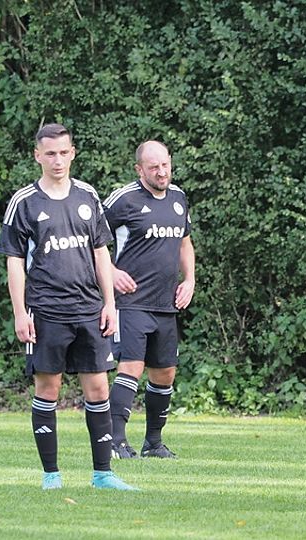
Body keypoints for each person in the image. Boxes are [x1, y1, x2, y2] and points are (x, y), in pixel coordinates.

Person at [0, 123, 137, 490]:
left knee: (99, 389)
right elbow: (14, 261)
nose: (57, 160)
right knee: (48, 389)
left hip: (89, 308)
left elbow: (101, 252)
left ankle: (103, 474)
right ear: (37, 156)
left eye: (63, 152)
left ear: (73, 153)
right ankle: (51, 475)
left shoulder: (88, 195)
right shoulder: (24, 202)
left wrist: (110, 303)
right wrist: (19, 312)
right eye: (50, 154)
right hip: (45, 310)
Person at [103, 140, 194, 459]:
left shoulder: (178, 197)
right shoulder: (123, 199)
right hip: (130, 301)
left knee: (165, 372)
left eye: (165, 165)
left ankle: (153, 443)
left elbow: (185, 243)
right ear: (139, 169)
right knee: (131, 366)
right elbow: (89, 239)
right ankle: (114, 441)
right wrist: (111, 272)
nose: (161, 172)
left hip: (165, 304)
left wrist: (189, 280)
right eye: (154, 167)